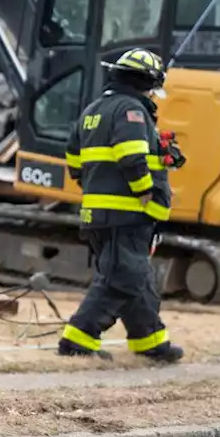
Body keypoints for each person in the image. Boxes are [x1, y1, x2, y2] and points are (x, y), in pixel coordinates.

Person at [56, 47, 183, 364]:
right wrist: (145, 191)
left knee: (135, 277)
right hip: (126, 212)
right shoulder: (131, 111)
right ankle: (78, 338)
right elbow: (130, 155)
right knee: (122, 277)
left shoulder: (93, 110)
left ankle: (150, 341)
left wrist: (161, 151)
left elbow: (74, 160)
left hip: (100, 213)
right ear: (146, 82)